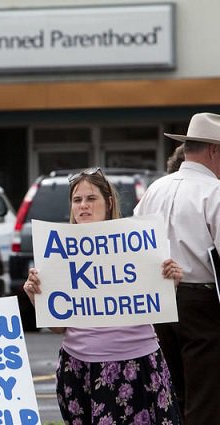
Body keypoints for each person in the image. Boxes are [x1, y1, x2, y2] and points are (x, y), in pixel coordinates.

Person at [23, 167, 183, 424]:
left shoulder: (138, 244)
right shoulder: (58, 255)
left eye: (91, 198)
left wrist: (169, 282)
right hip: (79, 368)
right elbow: (57, 327)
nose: (83, 206)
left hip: (137, 365)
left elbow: (157, 307)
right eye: (77, 200)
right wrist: (36, 298)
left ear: (108, 203)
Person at [134, 112, 220, 424]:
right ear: (214, 150)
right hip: (203, 302)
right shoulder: (215, 193)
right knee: (205, 397)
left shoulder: (155, 189)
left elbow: (134, 243)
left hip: (157, 297)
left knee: (170, 393)